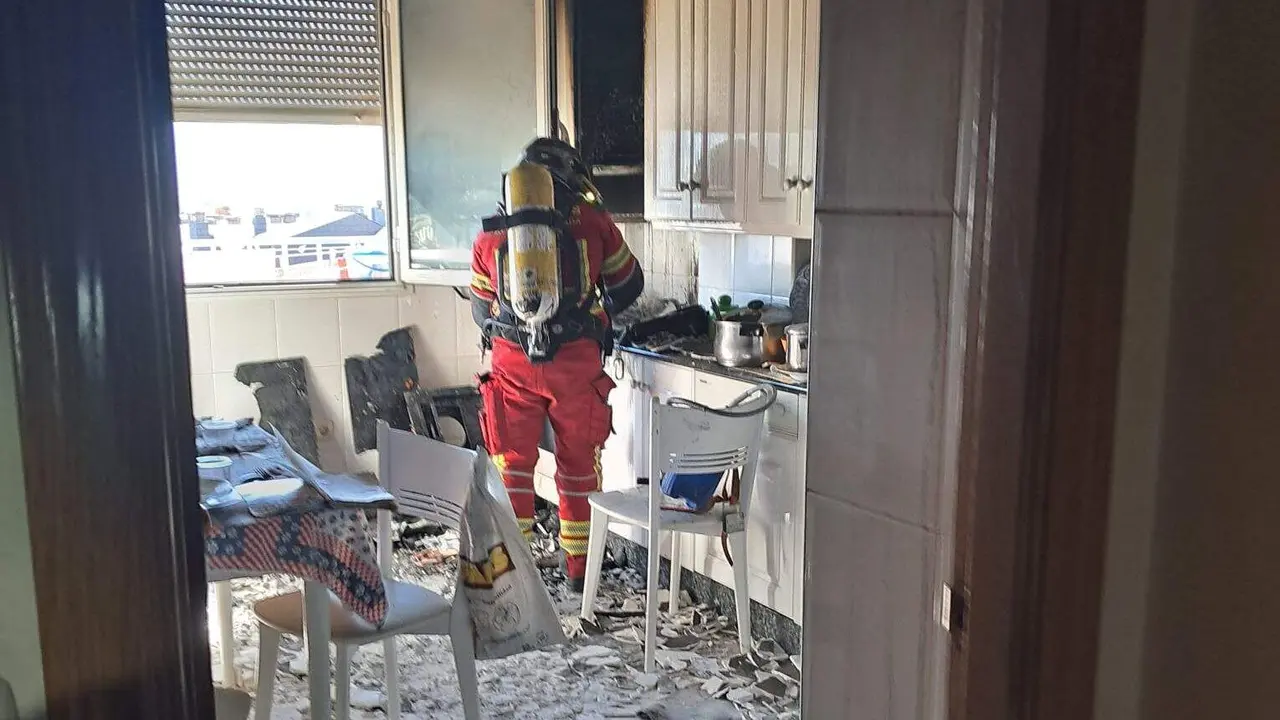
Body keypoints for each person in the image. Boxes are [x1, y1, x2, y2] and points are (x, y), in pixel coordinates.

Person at [469, 137, 645, 591]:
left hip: (513, 365)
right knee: (578, 466)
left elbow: (480, 308)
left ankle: (520, 576)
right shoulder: (592, 221)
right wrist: (595, 310)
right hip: (576, 364)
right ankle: (580, 573)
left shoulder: (493, 229)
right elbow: (629, 284)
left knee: (514, 467)